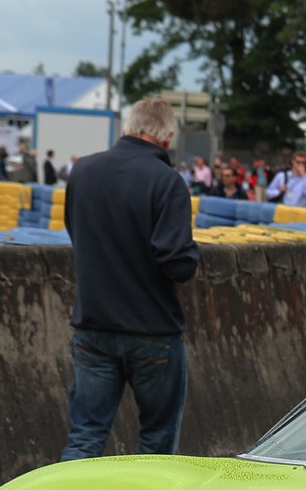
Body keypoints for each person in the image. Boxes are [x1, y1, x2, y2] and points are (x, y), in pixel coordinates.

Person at [58, 95, 201, 461]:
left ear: (127, 127)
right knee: (156, 442)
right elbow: (177, 265)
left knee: (85, 436)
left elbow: (76, 234)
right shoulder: (168, 182)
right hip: (152, 331)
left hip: (93, 325)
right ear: (168, 139)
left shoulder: (84, 172)